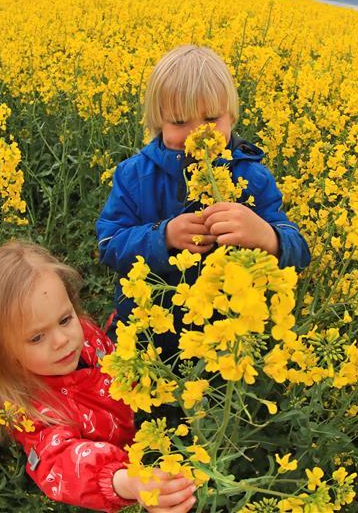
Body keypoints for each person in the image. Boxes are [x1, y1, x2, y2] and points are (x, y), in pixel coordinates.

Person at [96, 44, 311, 362]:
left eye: (211, 118)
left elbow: (299, 252)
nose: (199, 133)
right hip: (149, 335)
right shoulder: (133, 175)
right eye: (180, 122)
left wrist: (266, 236)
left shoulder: (253, 176)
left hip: (225, 340)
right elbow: (108, 245)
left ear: (232, 116)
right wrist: (162, 236)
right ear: (158, 123)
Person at [0, 240, 197, 513]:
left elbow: (110, 357)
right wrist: (126, 481)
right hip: (121, 470)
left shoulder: (82, 334)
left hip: (140, 419)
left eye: (65, 319)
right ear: (5, 351)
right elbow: (60, 462)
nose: (62, 340)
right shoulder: (29, 410)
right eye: (37, 337)